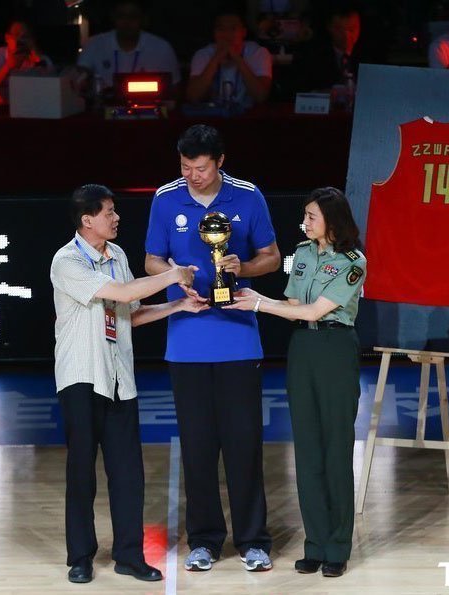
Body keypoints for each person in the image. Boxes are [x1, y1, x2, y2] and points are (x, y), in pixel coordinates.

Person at [51, 184, 207, 584]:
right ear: (87, 220)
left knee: (128, 473)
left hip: (120, 379)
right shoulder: (66, 261)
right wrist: (172, 274)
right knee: (81, 472)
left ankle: (129, 555)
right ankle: (80, 557)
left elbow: (130, 313)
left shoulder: (117, 255)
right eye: (109, 212)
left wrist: (179, 304)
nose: (116, 217)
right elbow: (119, 292)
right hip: (82, 376)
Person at [144, 125, 281, 572]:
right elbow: (151, 259)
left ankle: (253, 540)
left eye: (200, 168)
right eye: (185, 167)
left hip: (239, 339)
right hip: (186, 341)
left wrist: (245, 267)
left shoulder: (248, 196)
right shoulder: (166, 198)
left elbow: (272, 256)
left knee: (244, 446)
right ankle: (204, 540)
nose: (192, 176)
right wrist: (174, 276)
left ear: (220, 161)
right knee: (197, 448)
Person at [224, 186, 366, 579]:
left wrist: (259, 304)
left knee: (335, 449)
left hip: (335, 347)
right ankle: (315, 544)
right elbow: (293, 307)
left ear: (332, 221)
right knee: (306, 449)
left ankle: (338, 546)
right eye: (305, 215)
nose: (305, 223)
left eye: (311, 217)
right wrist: (257, 298)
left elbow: (317, 310)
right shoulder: (302, 254)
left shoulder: (353, 262)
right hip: (302, 348)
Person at [77, 0, 181, 92]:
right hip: (103, 105)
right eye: (121, 16)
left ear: (143, 19)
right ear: (113, 17)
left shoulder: (162, 48)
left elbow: (174, 88)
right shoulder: (95, 44)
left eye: (133, 17)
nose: (127, 22)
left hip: (147, 103)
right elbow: (81, 75)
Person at [186, 8, 273, 108]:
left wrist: (237, 58)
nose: (227, 34)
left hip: (248, 113)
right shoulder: (203, 54)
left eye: (233, 29)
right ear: (214, 33)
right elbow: (193, 97)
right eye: (221, 29)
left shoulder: (258, 53)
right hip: (213, 113)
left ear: (243, 32)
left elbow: (260, 96)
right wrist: (215, 59)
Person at [0, 19, 55, 104]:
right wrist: (8, 66)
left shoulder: (41, 60)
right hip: (3, 108)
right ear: (7, 37)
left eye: (25, 36)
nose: (19, 40)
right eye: (16, 35)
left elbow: (51, 93)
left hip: (32, 107)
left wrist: (37, 59)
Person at [292, 5, 362, 91]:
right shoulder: (312, 56)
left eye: (352, 30)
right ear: (329, 27)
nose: (346, 36)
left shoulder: (367, 57)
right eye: (339, 29)